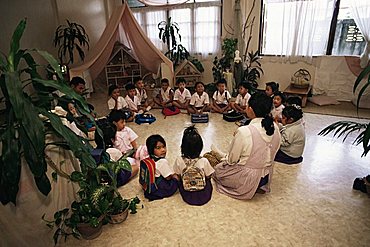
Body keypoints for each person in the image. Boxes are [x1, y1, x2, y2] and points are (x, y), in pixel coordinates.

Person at [211, 92, 281, 200]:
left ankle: (221, 155)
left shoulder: (244, 131)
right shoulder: (275, 128)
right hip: (265, 176)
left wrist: (225, 157)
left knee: (217, 170)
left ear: (251, 110)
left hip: (247, 179)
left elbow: (232, 161)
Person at [173, 126, 214, 206]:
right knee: (208, 179)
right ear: (200, 147)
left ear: (183, 147)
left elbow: (178, 175)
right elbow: (209, 176)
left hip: (187, 193)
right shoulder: (204, 161)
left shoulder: (179, 160)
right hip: (203, 194)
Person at [141, 134, 179, 201]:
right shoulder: (162, 162)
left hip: (151, 185)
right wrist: (175, 176)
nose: (163, 150)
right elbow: (168, 177)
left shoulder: (150, 159)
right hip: (160, 187)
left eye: (164, 147)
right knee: (176, 178)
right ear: (151, 149)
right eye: (158, 148)